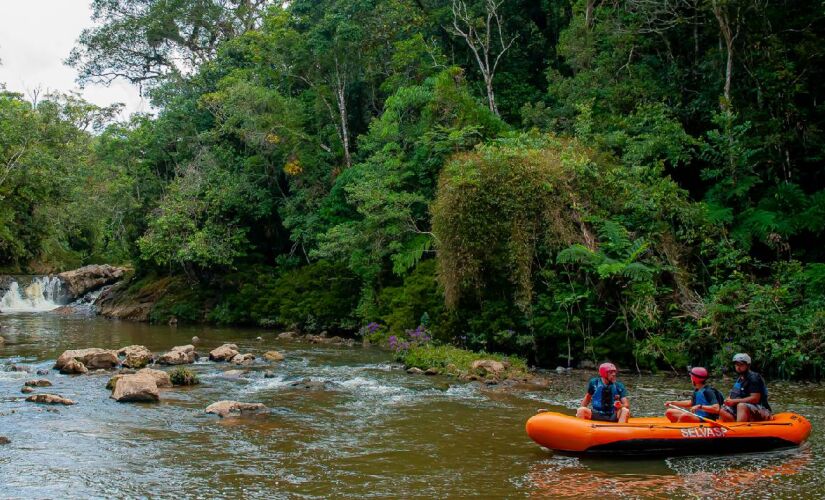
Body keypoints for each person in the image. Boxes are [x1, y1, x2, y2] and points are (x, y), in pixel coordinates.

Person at [719, 353, 772, 422]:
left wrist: (734, 401)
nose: (738, 367)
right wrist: (728, 401)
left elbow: (755, 399)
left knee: (741, 406)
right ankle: (732, 427)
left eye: (741, 365)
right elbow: (734, 395)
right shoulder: (740, 378)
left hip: (762, 409)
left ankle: (739, 428)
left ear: (748, 365)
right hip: (743, 408)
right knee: (722, 409)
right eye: (736, 365)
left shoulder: (754, 378)